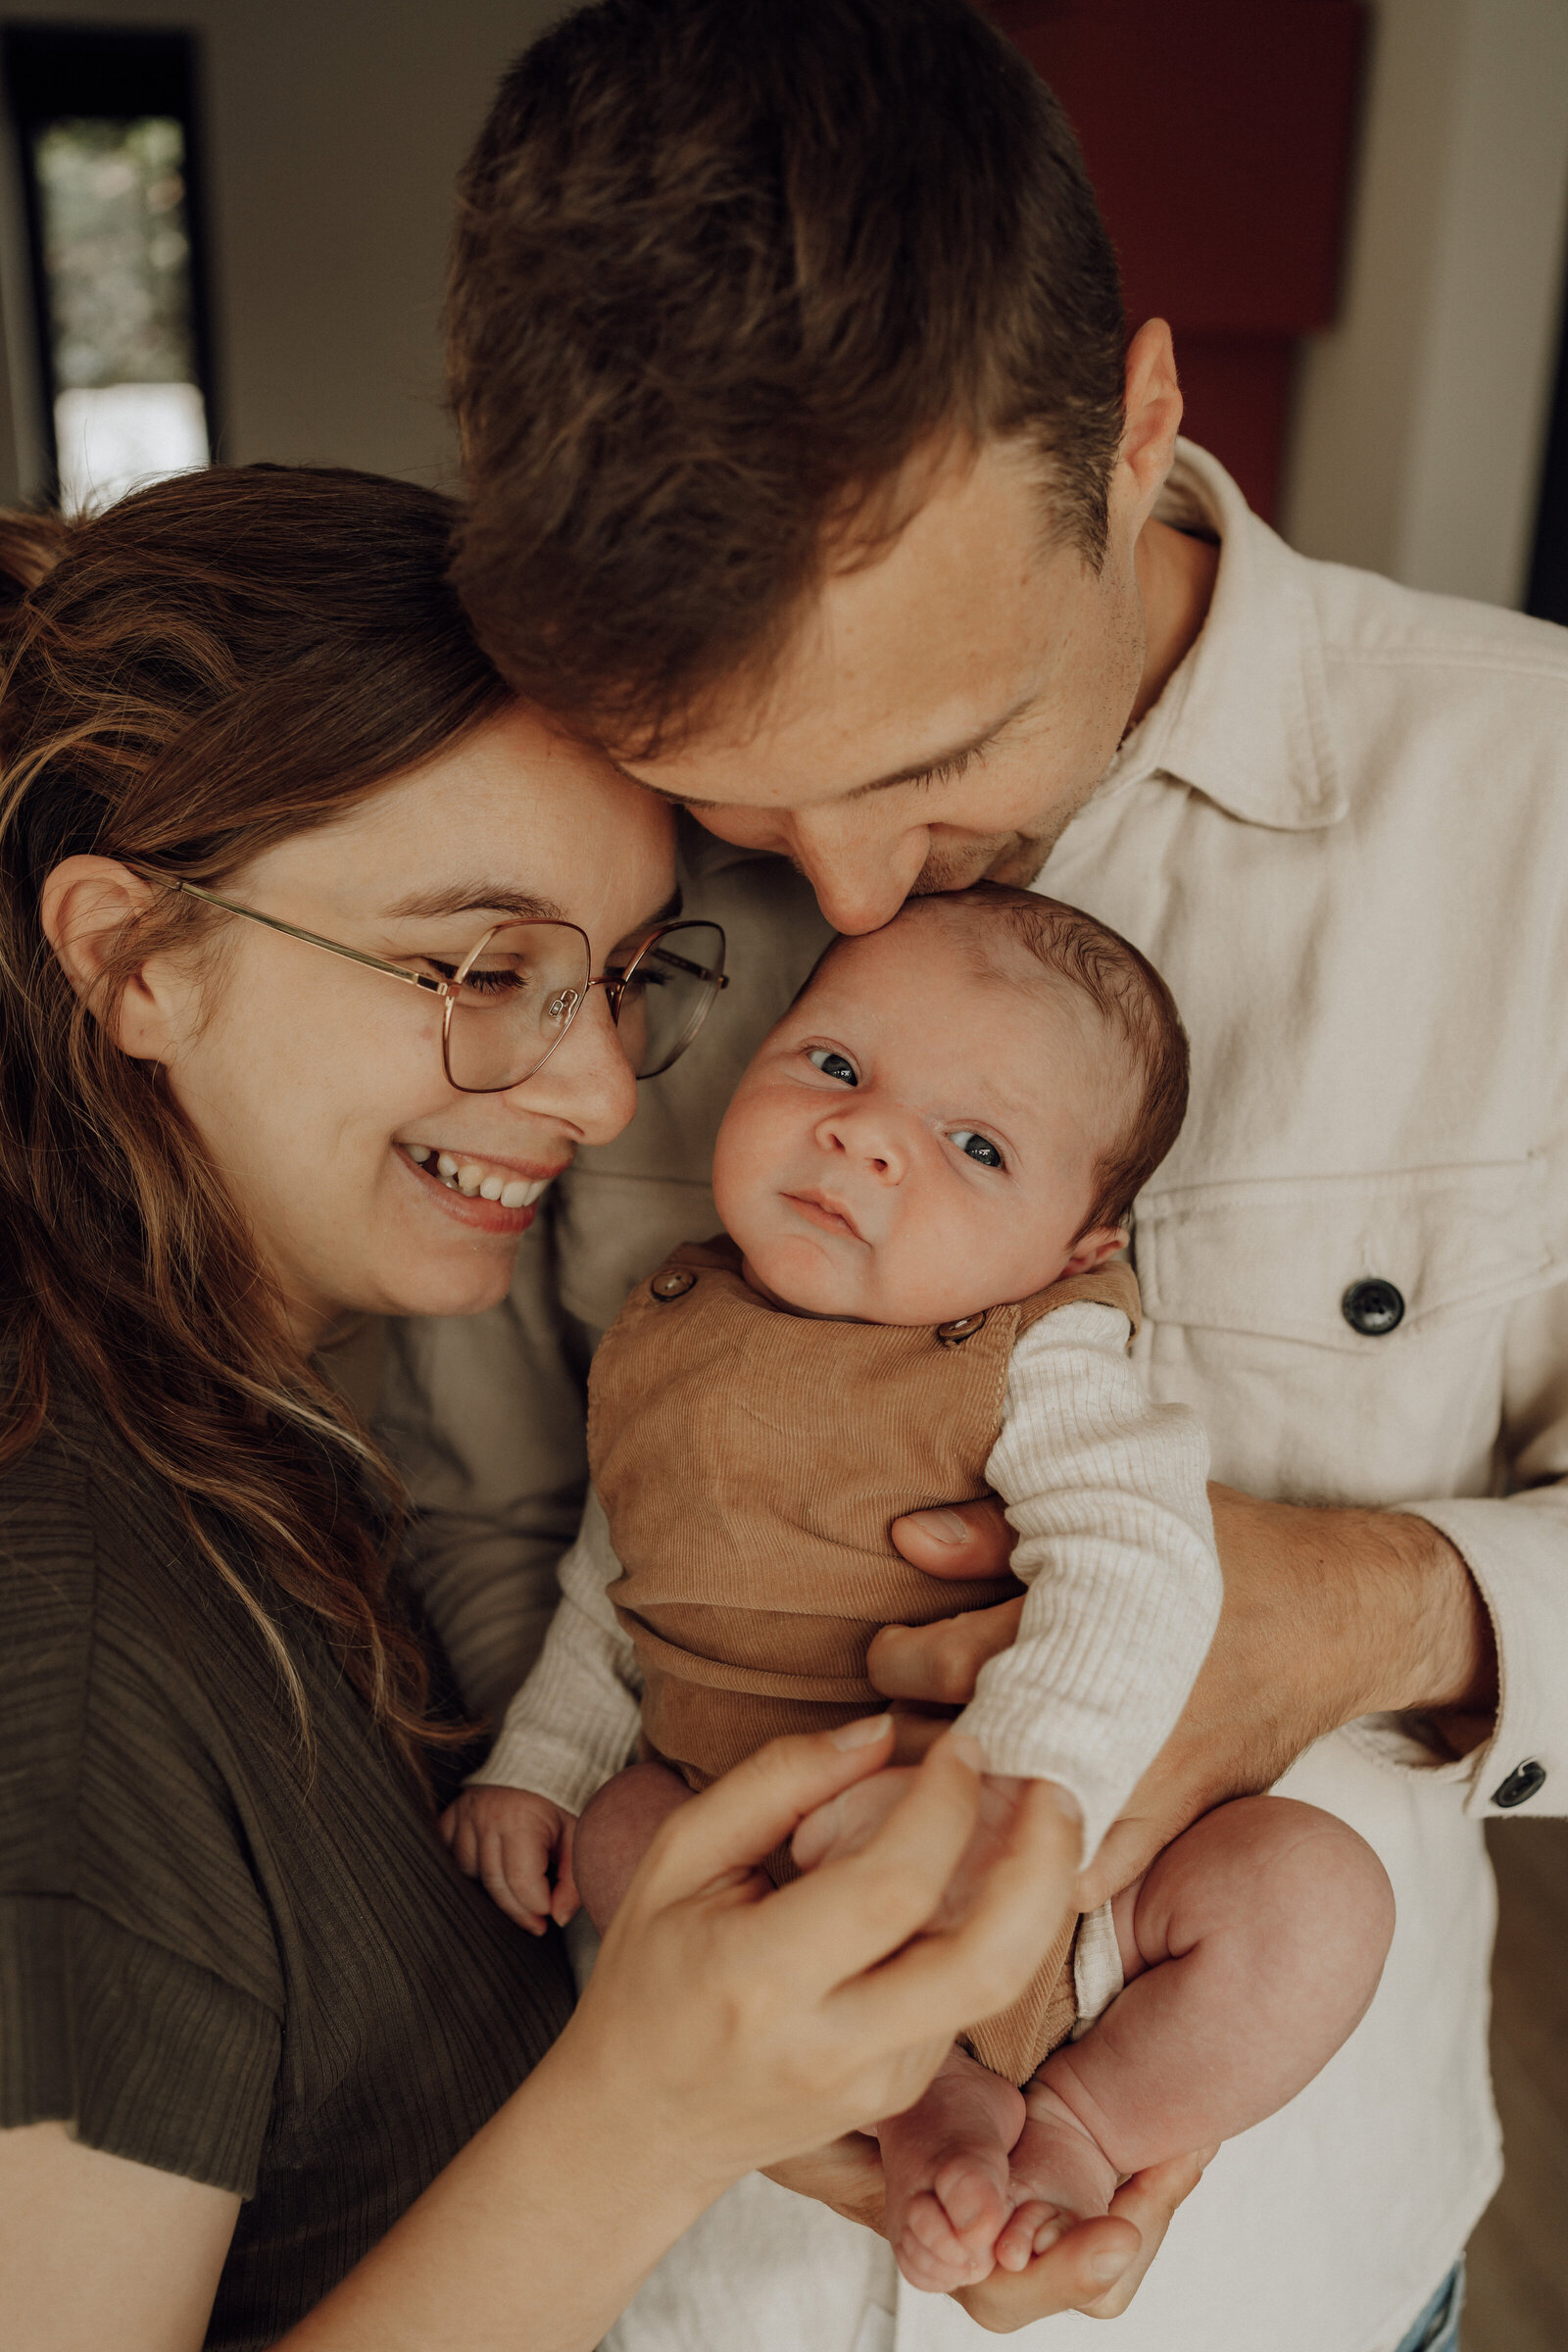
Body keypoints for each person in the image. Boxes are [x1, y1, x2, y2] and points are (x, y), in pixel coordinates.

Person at [386, 3, 1568, 2348]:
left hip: (1286, 2288)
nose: (835, 899)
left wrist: (1393, 1608)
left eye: (935, 757)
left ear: (1132, 433)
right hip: (676, 2270)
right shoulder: (514, 823)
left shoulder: (1538, 805)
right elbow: (495, 1505)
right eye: (731, 805)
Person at [0, 466, 1155, 2352]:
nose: (610, 1095)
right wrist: (647, 2124)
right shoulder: (54, 1660)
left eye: (621, 979)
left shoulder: (238, 1418)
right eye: (483, 969)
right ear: (136, 957)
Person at [445, 888, 1395, 2295]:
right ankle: (914, 2106)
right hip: (762, 1879)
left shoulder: (1037, 1357)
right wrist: (541, 1762)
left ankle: (1081, 2124)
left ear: (1080, 1253)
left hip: (1066, 1896)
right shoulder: (664, 1325)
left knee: (1318, 1898)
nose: (864, 1134)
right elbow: (616, 1591)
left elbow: (1135, 1562)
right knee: (625, 1834)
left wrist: (1005, 1803)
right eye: (833, 1065)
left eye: (976, 1146)